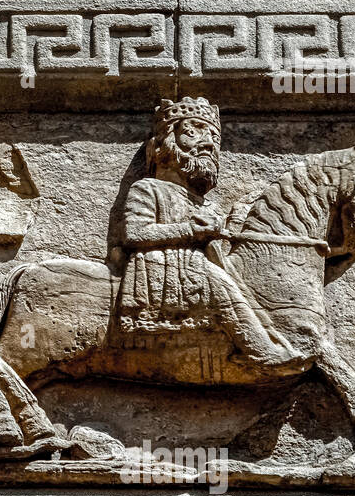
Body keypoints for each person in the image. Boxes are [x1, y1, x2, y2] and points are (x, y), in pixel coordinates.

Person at [115, 96, 295, 367]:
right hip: (165, 267)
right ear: (166, 143)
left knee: (240, 284)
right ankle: (263, 353)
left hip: (197, 265)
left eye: (212, 136)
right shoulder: (148, 188)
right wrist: (190, 230)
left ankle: (270, 336)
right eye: (192, 131)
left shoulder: (206, 203)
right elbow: (134, 233)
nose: (209, 143)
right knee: (222, 287)